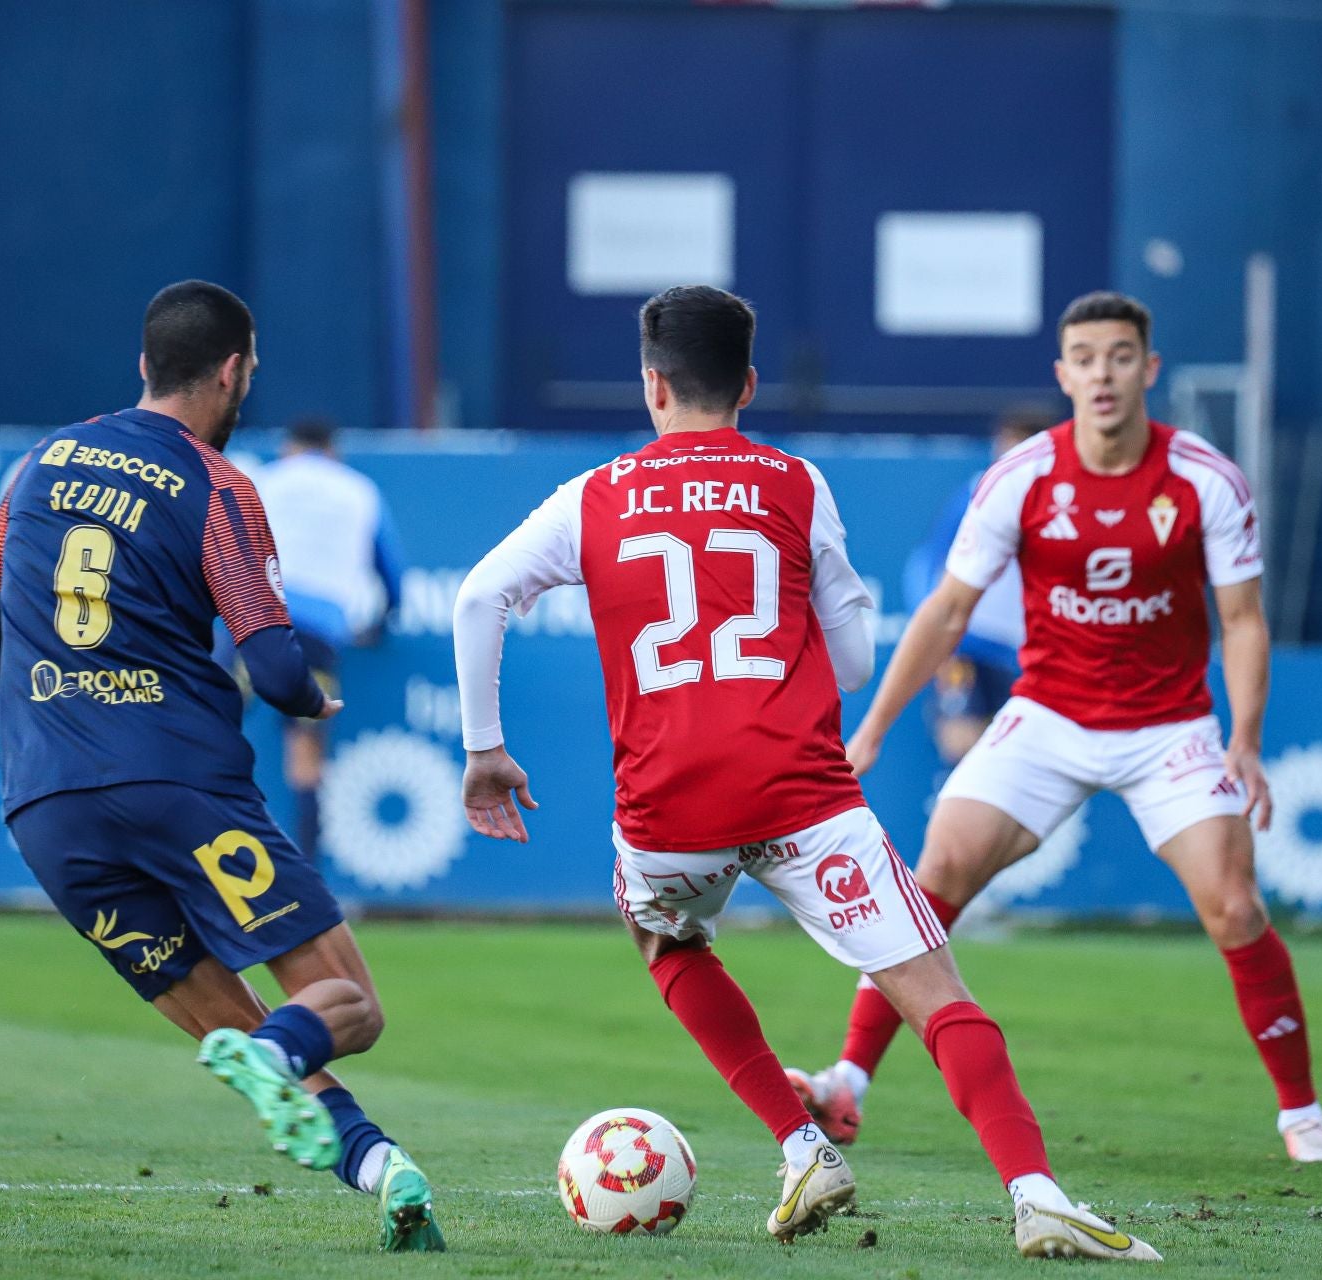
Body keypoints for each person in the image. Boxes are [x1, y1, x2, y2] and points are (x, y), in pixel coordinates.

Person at [452, 285, 1161, 1261]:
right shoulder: (792, 482)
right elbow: (858, 654)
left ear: (652, 384)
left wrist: (486, 747)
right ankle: (1037, 1192)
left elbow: (481, 594)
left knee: (668, 944)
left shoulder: (596, 495)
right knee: (933, 987)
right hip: (800, 789)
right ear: (747, 383)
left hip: (668, 808)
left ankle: (800, 1144)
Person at [788, 291, 1322, 1166]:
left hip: (1170, 727)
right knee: (933, 874)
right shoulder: (1020, 478)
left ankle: (1302, 1112)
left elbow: (1243, 620)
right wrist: (872, 728)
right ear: (1063, 375)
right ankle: (845, 1085)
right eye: (1084, 358)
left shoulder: (1205, 478)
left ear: (1148, 370)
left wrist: (1245, 736)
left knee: (1235, 906)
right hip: (1048, 716)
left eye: (1120, 356)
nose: (1103, 374)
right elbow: (945, 611)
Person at [0, 280, 443, 1252]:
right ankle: (282, 1057)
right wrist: (309, 702)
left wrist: (62, 730)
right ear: (233, 370)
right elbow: (275, 663)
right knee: (344, 1006)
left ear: (142, 365)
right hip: (177, 783)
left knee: (246, 1025)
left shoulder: (39, 465)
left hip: (46, 809)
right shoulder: (217, 481)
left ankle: (379, 1163)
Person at [250, 416, 406, 859]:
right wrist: (382, 623)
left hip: (254, 619)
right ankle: (308, 872)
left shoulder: (266, 480)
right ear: (333, 450)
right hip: (318, 631)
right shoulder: (359, 490)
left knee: (213, 724)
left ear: (289, 447)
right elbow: (391, 575)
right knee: (306, 750)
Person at [907, 403, 1060, 769]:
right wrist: (938, 641)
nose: (1004, 458)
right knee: (961, 744)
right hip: (967, 646)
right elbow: (928, 563)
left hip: (1023, 652)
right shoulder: (977, 494)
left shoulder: (1061, 503)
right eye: (1002, 447)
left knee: (1014, 758)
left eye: (1017, 449)